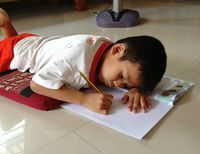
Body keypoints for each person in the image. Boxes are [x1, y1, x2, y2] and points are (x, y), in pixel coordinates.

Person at [0, 8, 167, 114]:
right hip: (15, 52)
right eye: (121, 75)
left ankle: (7, 25)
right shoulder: (76, 63)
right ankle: (6, 25)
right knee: (12, 45)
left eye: (125, 85)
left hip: (37, 42)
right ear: (117, 50)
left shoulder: (109, 48)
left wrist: (136, 89)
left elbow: (135, 70)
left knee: (20, 41)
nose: (118, 84)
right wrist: (83, 100)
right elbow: (37, 84)